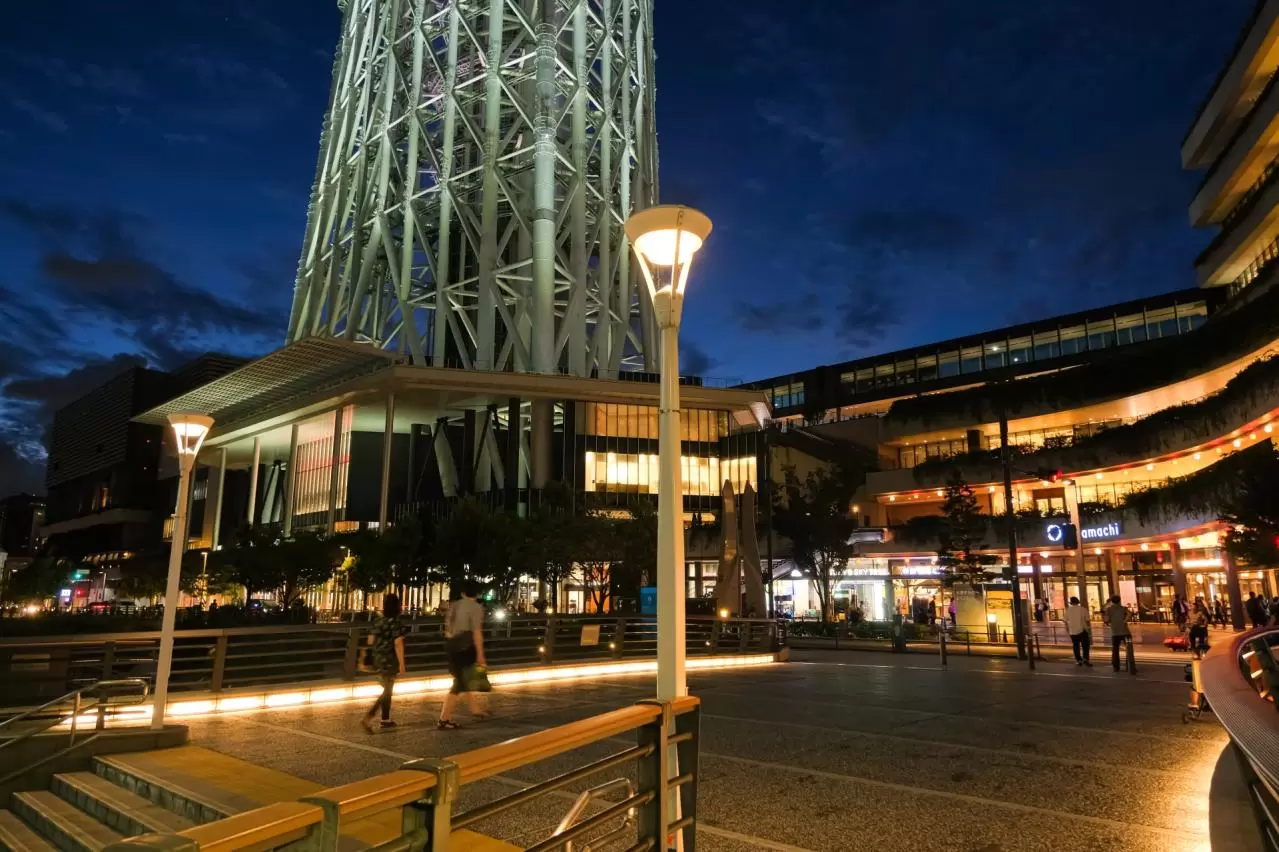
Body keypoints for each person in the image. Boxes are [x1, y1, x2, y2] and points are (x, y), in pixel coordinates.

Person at [439, 580, 488, 729]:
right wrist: (480, 654)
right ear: (478, 593)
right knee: (460, 683)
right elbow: (477, 632)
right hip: (465, 648)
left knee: (461, 680)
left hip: (451, 646)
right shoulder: (477, 608)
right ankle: (444, 719)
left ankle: (474, 709)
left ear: (462, 593)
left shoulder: (454, 605)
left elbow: (447, 630)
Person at [361, 593, 407, 733]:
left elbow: (370, 639)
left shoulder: (378, 621)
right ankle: (368, 717)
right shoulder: (396, 622)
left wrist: (370, 656)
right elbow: (398, 643)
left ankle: (385, 719)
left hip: (378, 657)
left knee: (388, 687)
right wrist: (402, 664)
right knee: (387, 690)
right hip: (390, 659)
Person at [1105, 595, 1132, 672]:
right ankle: (1129, 664)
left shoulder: (1109, 609)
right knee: (1128, 649)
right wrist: (1124, 621)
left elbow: (1106, 619)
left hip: (1115, 632)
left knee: (1115, 649)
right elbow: (1130, 614)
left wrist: (1109, 623)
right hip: (1125, 631)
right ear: (1119, 600)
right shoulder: (1123, 608)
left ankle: (1116, 667)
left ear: (1112, 601)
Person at [1064, 596, 1091, 667]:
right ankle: (1086, 659)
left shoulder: (1068, 610)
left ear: (1071, 602)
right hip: (1082, 630)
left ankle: (1078, 660)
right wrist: (1088, 628)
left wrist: (1067, 628)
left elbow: (1065, 621)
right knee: (1085, 645)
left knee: (1076, 646)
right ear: (1078, 602)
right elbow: (1087, 620)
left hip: (1072, 631)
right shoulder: (1083, 609)